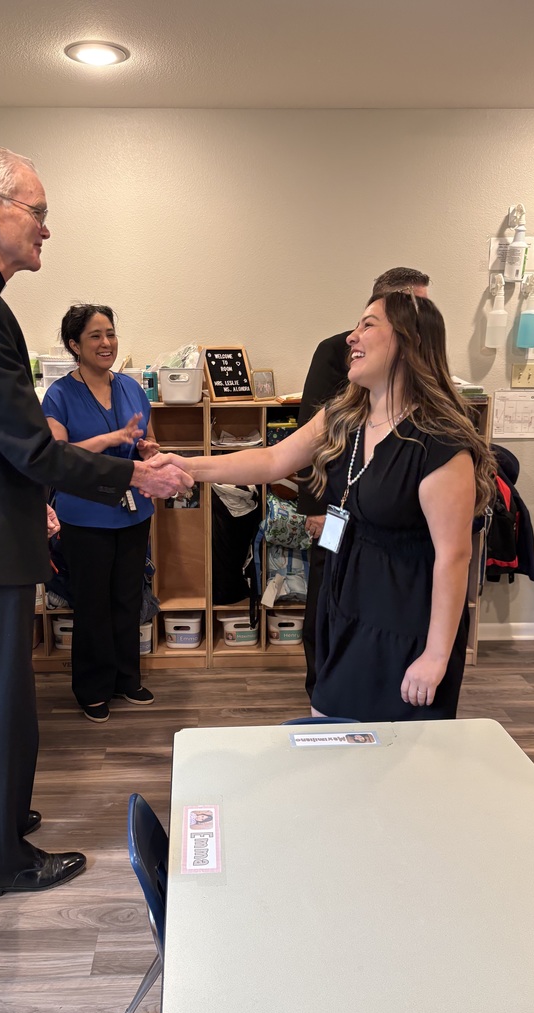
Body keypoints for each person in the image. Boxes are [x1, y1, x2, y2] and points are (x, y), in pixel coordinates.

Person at [0, 145, 192, 900]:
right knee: (4, 694)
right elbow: (27, 445)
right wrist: (135, 472)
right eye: (38, 212)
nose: (46, 230)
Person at [151, 290, 496, 721]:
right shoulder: (345, 416)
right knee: (329, 724)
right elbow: (272, 460)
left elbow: (454, 557)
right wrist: (188, 465)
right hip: (344, 602)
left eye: (368, 325)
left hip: (405, 622)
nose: (352, 337)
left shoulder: (439, 444)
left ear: (409, 341)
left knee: (399, 755)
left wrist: (436, 655)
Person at [298, 267, 431, 698]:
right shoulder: (338, 353)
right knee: (327, 591)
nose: (426, 314)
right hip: (336, 505)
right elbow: (302, 441)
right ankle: (322, 683)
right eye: (417, 304)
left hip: (390, 526)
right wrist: (316, 506)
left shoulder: (436, 428)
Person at [43, 304, 159, 722]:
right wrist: (113, 437)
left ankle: (126, 678)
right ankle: (91, 688)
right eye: (94, 335)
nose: (106, 342)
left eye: (110, 333)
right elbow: (56, 454)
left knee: (129, 598)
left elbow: (148, 440)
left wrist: (148, 448)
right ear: (75, 345)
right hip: (85, 514)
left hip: (133, 511)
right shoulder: (59, 394)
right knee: (92, 603)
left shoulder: (131, 387)